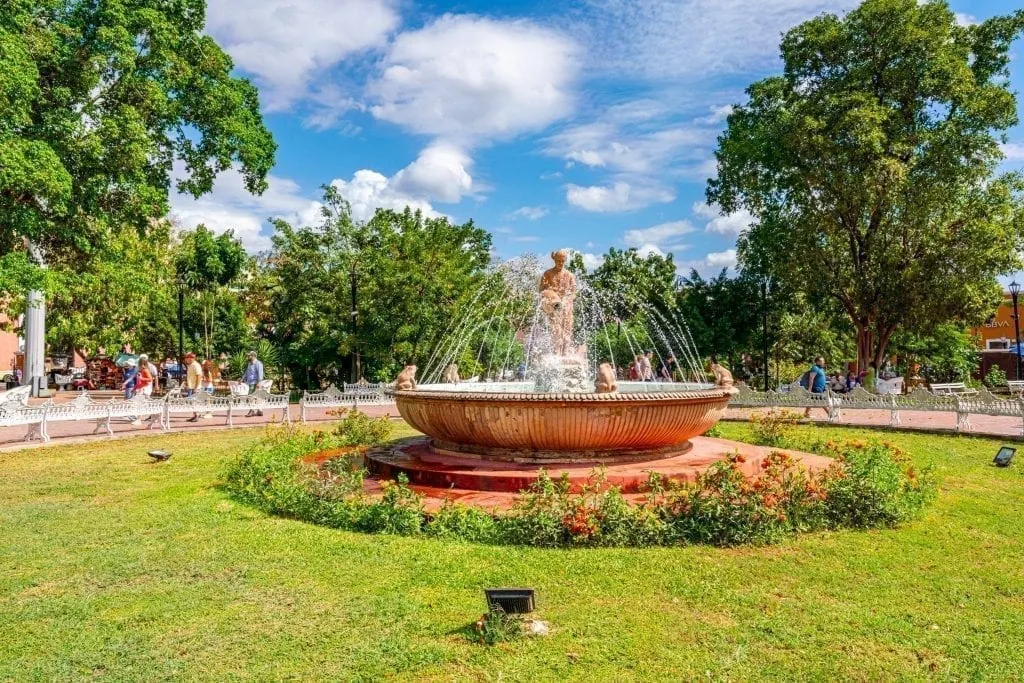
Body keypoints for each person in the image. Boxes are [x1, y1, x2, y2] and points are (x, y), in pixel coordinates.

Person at [242, 350, 265, 417]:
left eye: (249, 356)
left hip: (255, 383)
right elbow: (246, 372)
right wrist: (242, 378)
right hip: (250, 383)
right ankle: (260, 411)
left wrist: (259, 382)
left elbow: (260, 373)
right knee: (256, 397)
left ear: (253, 356)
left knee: (250, 397)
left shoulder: (258, 363)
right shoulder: (250, 363)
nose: (248, 357)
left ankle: (252, 411)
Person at [185, 352, 203, 422]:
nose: (186, 359)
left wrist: (196, 387)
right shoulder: (190, 365)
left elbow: (199, 376)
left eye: (187, 357)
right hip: (191, 387)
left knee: (194, 402)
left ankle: (197, 415)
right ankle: (195, 415)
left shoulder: (196, 365)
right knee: (191, 402)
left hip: (194, 387)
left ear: (190, 358)